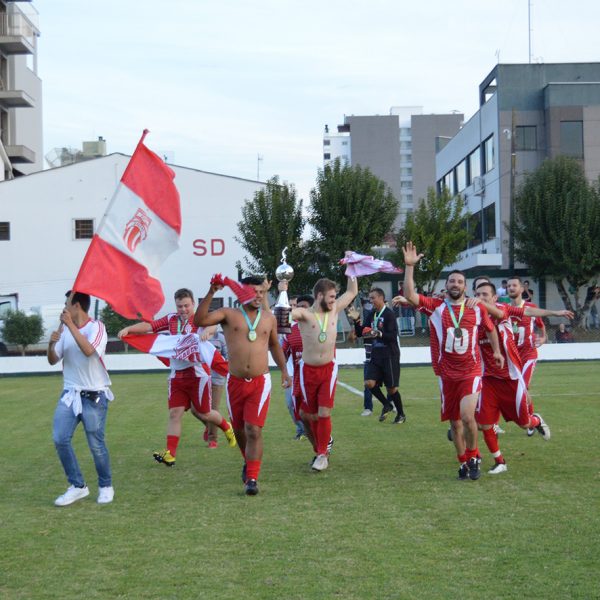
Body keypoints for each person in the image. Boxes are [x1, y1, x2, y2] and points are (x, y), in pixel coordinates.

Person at [399, 242, 504, 481]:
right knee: (455, 424)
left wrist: (496, 351)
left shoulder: (477, 308)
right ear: (446, 286)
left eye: (459, 282)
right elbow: (410, 295)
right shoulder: (436, 307)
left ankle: (474, 455)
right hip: (446, 375)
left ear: (465, 287)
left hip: (471, 371)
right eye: (451, 281)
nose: (455, 284)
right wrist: (409, 267)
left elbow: (490, 330)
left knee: (468, 417)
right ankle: (463, 462)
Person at [194, 276, 291, 495]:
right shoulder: (229, 314)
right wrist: (211, 292)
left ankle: (252, 478)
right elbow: (199, 321)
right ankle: (248, 462)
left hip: (260, 381)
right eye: (254, 292)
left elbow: (275, 345)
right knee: (238, 429)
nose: (258, 296)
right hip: (235, 381)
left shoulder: (268, 318)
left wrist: (285, 370)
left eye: (261, 292)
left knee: (253, 429)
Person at [118, 288, 236, 467]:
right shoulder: (171, 319)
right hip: (176, 376)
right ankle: (170, 454)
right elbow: (150, 326)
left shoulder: (199, 319)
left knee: (204, 412)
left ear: (193, 304)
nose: (183, 309)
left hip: (198, 374)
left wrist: (208, 332)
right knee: (175, 413)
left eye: (186, 305)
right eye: (180, 306)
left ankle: (227, 427)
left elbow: (214, 324)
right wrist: (129, 329)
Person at [472, 281, 572, 473]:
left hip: (511, 377)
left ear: (494, 298)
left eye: (485, 294)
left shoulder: (503, 309)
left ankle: (536, 420)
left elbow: (529, 312)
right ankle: (500, 461)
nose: (480, 297)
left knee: (524, 423)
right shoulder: (473, 317)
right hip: (488, 379)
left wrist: (555, 313)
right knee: (485, 423)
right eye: (478, 294)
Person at [48, 291, 114, 506]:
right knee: (60, 438)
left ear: (77, 306)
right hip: (70, 393)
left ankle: (105, 485)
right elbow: (52, 360)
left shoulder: (97, 327)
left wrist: (71, 326)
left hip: (94, 395)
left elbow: (89, 350)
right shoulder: (65, 330)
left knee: (96, 444)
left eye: (66, 304)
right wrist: (51, 344)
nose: (64, 308)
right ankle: (77, 486)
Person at [290, 273, 359, 472]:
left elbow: (352, 291)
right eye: (330, 296)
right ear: (319, 296)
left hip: (328, 369)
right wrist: (283, 294)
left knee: (323, 412)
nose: (334, 299)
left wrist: (351, 269)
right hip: (307, 371)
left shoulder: (335, 309)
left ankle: (322, 455)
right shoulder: (305, 314)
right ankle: (321, 446)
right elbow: (287, 316)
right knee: (306, 415)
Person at [356, 287, 405, 424]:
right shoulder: (371, 314)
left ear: (381, 298)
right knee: (369, 383)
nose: (371, 301)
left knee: (391, 388)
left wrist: (379, 333)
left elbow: (392, 335)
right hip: (376, 355)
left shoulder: (389, 314)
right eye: (370, 298)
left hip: (390, 355)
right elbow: (361, 333)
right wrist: (356, 321)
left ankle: (401, 414)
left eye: (373, 298)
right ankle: (386, 404)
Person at [506, 276, 546, 436]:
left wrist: (543, 338)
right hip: (513, 358)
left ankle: (530, 420)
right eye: (508, 285)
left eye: (514, 285)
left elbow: (542, 327)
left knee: (523, 388)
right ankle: (532, 418)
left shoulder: (531, 307)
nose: (511, 288)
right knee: (517, 389)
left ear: (522, 289)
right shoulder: (505, 309)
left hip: (528, 354)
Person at [282, 294, 314, 437]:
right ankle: (303, 429)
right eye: (295, 306)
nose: (297, 309)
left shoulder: (319, 326)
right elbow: (283, 353)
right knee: (291, 405)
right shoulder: (289, 330)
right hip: (293, 374)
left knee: (314, 410)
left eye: (302, 307)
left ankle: (314, 435)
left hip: (314, 375)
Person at [347, 304, 374, 416]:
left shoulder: (383, 323)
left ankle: (391, 403)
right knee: (367, 385)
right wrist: (356, 319)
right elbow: (358, 332)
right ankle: (368, 408)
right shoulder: (366, 328)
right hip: (369, 360)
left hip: (383, 359)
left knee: (389, 384)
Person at [205, 326, 229, 447]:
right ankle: (209, 426)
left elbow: (227, 357)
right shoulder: (198, 336)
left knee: (213, 409)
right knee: (196, 409)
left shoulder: (221, 338)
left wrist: (218, 360)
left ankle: (212, 439)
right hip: (200, 378)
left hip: (217, 379)